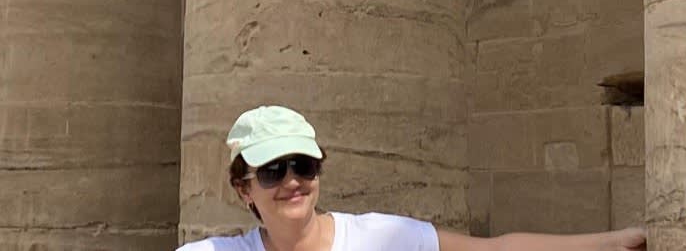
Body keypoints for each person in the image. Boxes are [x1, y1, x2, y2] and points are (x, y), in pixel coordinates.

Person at [181, 106, 647, 251]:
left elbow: (496, 250)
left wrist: (614, 242)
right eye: (272, 170)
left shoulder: (378, 238)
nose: (292, 182)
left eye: (303, 165)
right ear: (244, 188)